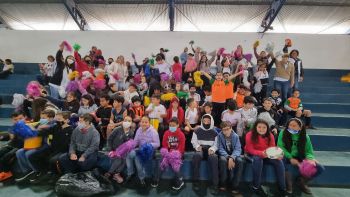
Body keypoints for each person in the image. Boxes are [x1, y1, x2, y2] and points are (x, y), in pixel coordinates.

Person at [278, 118, 324, 194]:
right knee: (283, 164)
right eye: (290, 125)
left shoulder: (305, 137)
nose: (291, 127)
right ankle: (289, 187)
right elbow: (281, 147)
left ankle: (302, 181)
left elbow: (309, 151)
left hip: (300, 156)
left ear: (300, 127)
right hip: (286, 155)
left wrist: (310, 159)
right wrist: (290, 157)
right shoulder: (283, 133)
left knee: (319, 168)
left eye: (294, 126)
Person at [245, 120, 289, 197]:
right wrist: (261, 153)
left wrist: (277, 155)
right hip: (251, 154)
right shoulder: (249, 134)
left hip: (266, 154)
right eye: (259, 127)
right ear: (255, 127)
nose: (261, 129)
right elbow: (250, 149)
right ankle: (256, 187)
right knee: (258, 160)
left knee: (279, 162)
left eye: (264, 127)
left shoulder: (270, 135)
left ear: (267, 128)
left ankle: (282, 188)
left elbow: (272, 148)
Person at [28, 111, 73, 183]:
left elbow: (71, 144)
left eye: (59, 119)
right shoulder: (55, 127)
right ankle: (43, 172)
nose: (57, 121)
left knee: (52, 160)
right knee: (32, 156)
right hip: (52, 149)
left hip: (63, 151)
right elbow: (44, 132)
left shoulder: (71, 130)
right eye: (57, 119)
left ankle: (55, 175)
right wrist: (35, 131)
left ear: (67, 120)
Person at [15, 109, 56, 182]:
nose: (41, 120)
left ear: (51, 118)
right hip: (35, 143)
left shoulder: (54, 125)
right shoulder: (40, 124)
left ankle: (36, 171)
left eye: (44, 118)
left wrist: (34, 130)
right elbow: (30, 126)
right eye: (41, 118)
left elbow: (40, 133)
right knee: (19, 152)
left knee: (28, 154)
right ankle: (27, 171)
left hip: (47, 145)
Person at [152, 117, 186, 190]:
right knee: (161, 163)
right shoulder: (166, 133)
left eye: (173, 125)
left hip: (178, 153)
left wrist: (174, 154)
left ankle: (180, 181)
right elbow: (164, 145)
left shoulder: (181, 134)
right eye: (170, 125)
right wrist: (167, 153)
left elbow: (181, 148)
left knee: (175, 164)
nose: (171, 127)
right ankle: (156, 179)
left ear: (177, 125)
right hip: (168, 153)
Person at [125, 116, 160, 187]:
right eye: (142, 122)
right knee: (128, 154)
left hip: (149, 151)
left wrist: (148, 145)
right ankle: (130, 173)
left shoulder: (153, 131)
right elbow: (136, 141)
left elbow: (157, 144)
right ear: (140, 123)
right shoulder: (139, 130)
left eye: (146, 122)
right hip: (140, 149)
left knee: (137, 159)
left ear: (149, 123)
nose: (144, 124)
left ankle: (141, 178)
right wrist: (130, 145)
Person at [191, 114, 219, 194]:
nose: (206, 123)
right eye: (204, 121)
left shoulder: (214, 132)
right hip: (200, 149)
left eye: (208, 121)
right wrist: (197, 146)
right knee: (196, 156)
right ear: (202, 121)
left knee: (214, 158)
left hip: (210, 150)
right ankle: (195, 181)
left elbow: (216, 144)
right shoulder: (197, 130)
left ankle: (215, 184)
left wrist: (213, 149)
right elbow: (194, 141)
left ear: (211, 121)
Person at [217, 121, 243, 196]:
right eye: (224, 130)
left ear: (231, 128)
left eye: (227, 129)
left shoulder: (235, 136)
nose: (226, 131)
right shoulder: (220, 136)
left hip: (234, 154)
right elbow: (220, 148)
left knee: (240, 161)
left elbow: (238, 149)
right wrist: (228, 157)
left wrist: (232, 157)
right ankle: (223, 183)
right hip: (224, 154)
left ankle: (235, 185)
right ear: (221, 130)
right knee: (222, 160)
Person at [105, 116, 134, 183]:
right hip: (113, 150)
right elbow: (109, 139)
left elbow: (130, 143)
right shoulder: (117, 129)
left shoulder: (131, 133)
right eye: (125, 120)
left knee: (124, 161)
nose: (127, 122)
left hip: (123, 152)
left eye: (129, 121)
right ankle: (109, 173)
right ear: (123, 121)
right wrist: (110, 149)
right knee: (118, 160)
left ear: (131, 123)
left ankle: (116, 174)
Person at [0, 111, 26, 182]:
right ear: (12, 120)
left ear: (25, 117)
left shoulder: (29, 126)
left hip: (21, 147)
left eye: (20, 119)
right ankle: (2, 172)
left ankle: (8, 173)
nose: (18, 121)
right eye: (15, 119)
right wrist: (2, 137)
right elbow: (10, 137)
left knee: (6, 156)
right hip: (12, 145)